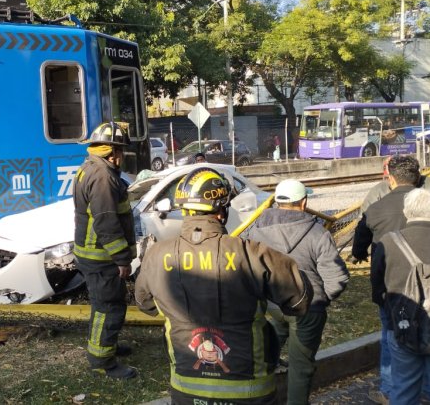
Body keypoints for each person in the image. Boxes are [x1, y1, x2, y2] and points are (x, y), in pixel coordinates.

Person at [135, 167, 313, 405]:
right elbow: (299, 300)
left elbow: (145, 304)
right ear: (222, 212)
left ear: (185, 210)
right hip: (249, 391)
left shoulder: (156, 255)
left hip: (186, 391)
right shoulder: (252, 253)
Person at [246, 179, 349, 405]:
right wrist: (320, 300)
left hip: (274, 304)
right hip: (308, 309)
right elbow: (337, 277)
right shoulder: (317, 234)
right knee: (301, 367)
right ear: (303, 203)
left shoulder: (256, 231)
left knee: (270, 345)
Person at [353, 155, 421, 405]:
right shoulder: (425, 202)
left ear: (390, 178)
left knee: (391, 335)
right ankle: (424, 389)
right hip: (424, 283)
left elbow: (360, 243)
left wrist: (359, 255)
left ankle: (390, 391)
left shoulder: (376, 208)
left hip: (389, 285)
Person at [73, 121, 137, 379]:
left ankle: (105, 346)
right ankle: (102, 360)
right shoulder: (103, 176)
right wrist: (122, 259)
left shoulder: (90, 167)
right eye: (121, 150)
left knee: (103, 304)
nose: (122, 156)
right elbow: (108, 222)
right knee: (108, 308)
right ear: (113, 151)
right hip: (101, 257)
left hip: (94, 255)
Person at [371, 188, 430, 405]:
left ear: (407, 212)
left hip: (403, 325)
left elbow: (377, 285)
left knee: (404, 389)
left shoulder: (389, 242)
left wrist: (388, 307)